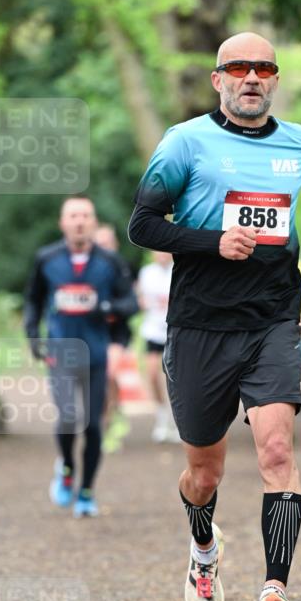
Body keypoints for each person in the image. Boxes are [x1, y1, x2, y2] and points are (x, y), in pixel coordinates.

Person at [128, 32, 301, 601]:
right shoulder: (184, 143)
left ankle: (274, 592)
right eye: (238, 68)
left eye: (262, 68)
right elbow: (142, 225)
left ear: (275, 78)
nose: (251, 77)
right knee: (204, 474)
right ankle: (204, 548)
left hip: (272, 320)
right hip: (199, 325)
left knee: (277, 451)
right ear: (218, 79)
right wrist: (213, 242)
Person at [24, 197, 138, 517]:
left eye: (85, 215)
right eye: (73, 216)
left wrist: (105, 308)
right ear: (62, 223)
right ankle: (67, 469)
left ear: (93, 222)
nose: (79, 221)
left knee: (92, 426)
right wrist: (33, 335)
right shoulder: (46, 259)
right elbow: (33, 301)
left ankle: (86, 492)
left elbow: (130, 303)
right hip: (61, 351)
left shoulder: (110, 262)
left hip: (96, 354)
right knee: (67, 417)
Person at [94, 223, 134, 453]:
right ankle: (115, 409)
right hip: (90, 333)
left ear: (115, 244)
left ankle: (106, 425)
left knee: (107, 373)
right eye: (99, 243)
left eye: (107, 242)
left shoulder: (121, 268)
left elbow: (132, 304)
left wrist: (108, 308)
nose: (104, 247)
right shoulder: (85, 269)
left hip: (116, 333)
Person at [137, 251, 180, 443]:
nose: (162, 254)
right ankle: (162, 416)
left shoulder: (179, 269)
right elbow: (140, 299)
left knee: (176, 380)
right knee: (153, 374)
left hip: (175, 332)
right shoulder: (146, 272)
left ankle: (178, 421)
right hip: (153, 332)